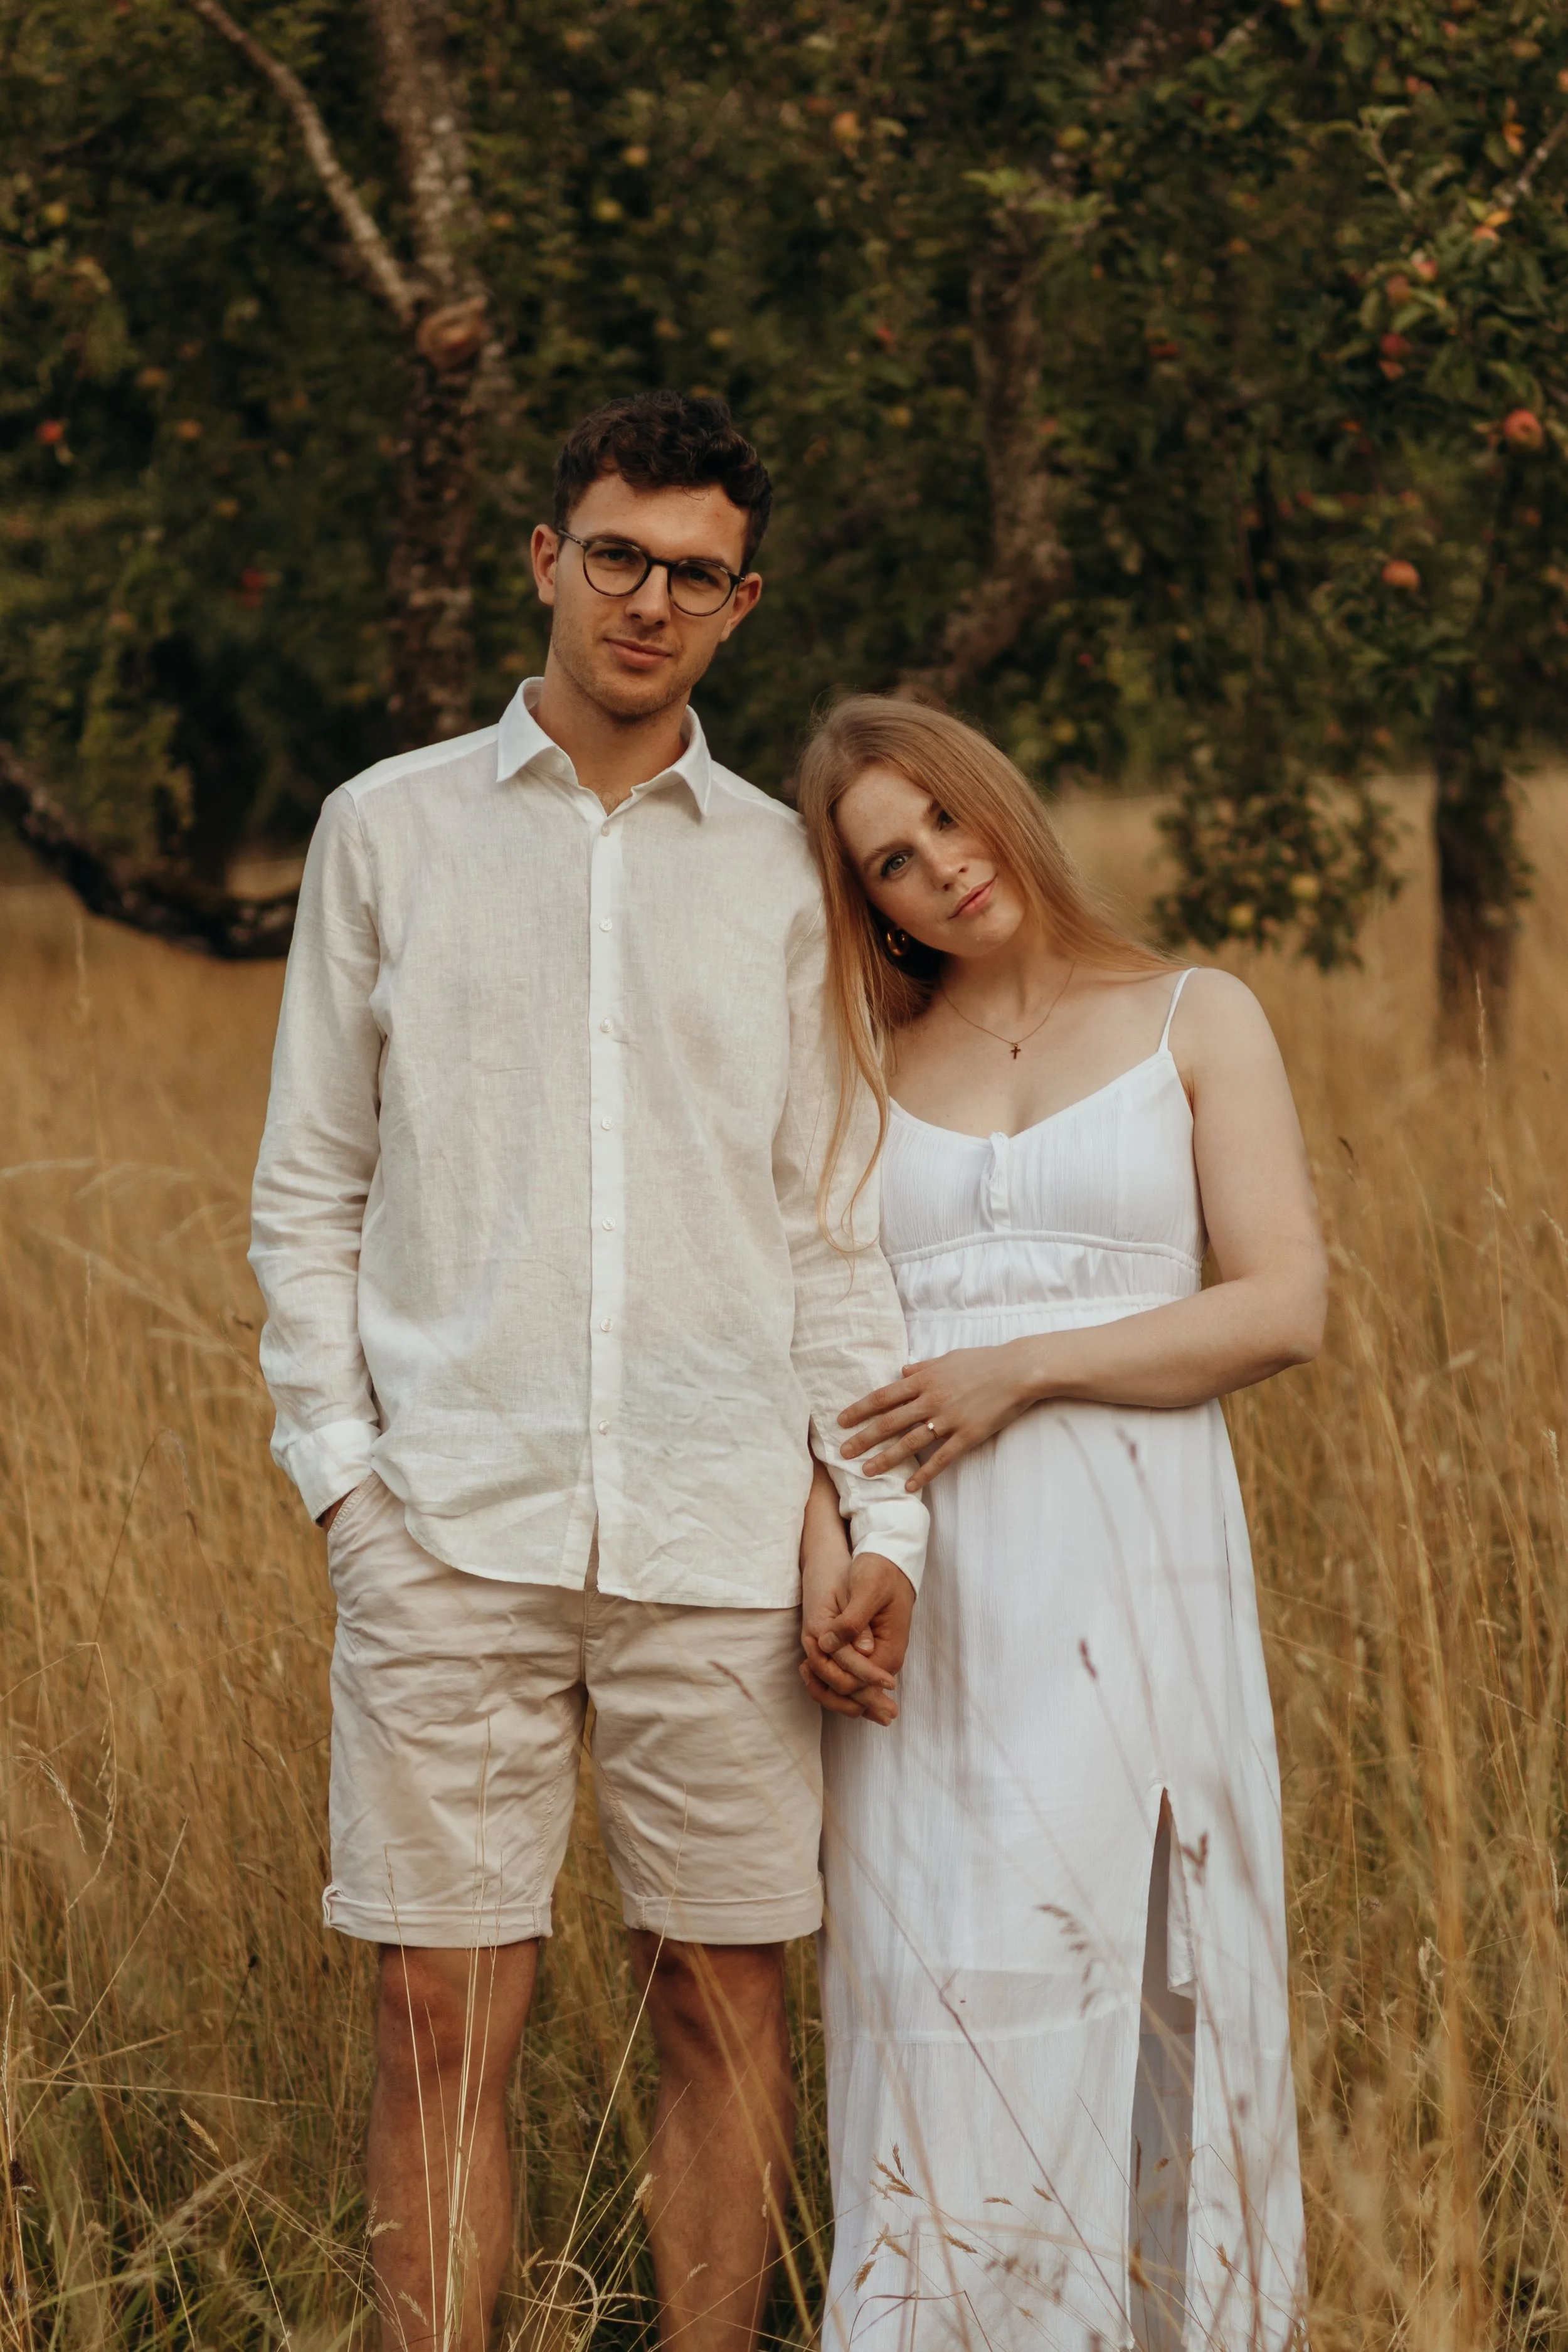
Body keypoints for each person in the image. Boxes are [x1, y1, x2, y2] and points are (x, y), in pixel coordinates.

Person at [248, 395, 928, 2352]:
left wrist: (880, 1514)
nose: (646, 599)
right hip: (445, 1526)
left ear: (741, 606)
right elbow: (312, 1182)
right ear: (545, 558)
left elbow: (828, 1219)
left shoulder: (784, 872)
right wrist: (347, 1492)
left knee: (720, 1998)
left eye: (691, 573)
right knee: (436, 2017)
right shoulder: (386, 826)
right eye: (613, 554)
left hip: (719, 1533)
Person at [792, 696, 1324, 2352]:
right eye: (892, 857)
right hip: (932, 1600)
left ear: (998, 805)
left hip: (1138, 1577)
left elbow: (1282, 1304)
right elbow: (807, 1353)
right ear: (863, 897)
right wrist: (829, 1566)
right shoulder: (853, 1073)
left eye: (947, 819)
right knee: (950, 1981)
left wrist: (1017, 1369)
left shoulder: (1191, 1015)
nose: (941, 867)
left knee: (1150, 1968)